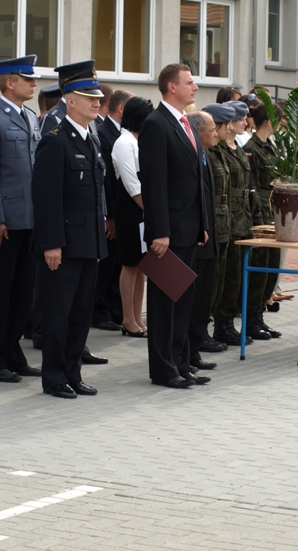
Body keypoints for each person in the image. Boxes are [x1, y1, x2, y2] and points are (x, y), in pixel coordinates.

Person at [32, 60, 107, 399]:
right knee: (58, 314)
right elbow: (47, 198)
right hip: (63, 245)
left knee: (79, 315)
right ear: (70, 100)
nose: (96, 102)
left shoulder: (91, 139)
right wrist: (51, 243)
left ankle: (73, 373)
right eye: (89, 97)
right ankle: (54, 377)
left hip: (87, 243)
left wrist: (98, 243)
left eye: (97, 97)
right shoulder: (56, 141)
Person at [138, 63, 210, 389]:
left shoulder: (188, 122)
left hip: (190, 228)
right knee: (165, 304)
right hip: (169, 231)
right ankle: (163, 369)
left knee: (183, 302)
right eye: (189, 82)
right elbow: (154, 183)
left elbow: (197, 180)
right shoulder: (156, 124)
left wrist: (203, 223)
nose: (195, 87)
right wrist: (159, 231)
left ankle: (181, 363)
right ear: (171, 87)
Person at [0, 55, 42, 384]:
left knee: (22, 294)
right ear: (9, 83)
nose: (34, 83)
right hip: (5, 222)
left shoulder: (29, 117)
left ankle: (12, 352)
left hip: (29, 219)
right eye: (27, 79)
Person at [211, 102, 265, 344]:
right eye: (240, 119)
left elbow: (248, 187)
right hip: (228, 222)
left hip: (242, 219)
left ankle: (232, 322)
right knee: (227, 276)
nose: (245, 122)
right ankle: (222, 324)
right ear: (228, 124)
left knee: (238, 275)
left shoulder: (239, 149)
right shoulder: (218, 150)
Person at [186, 110, 225, 359]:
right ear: (199, 132)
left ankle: (197, 344)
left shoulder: (205, 154)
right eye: (212, 130)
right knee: (194, 296)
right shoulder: (192, 154)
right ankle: (191, 347)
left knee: (204, 295)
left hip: (208, 234)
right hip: (197, 237)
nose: (216, 134)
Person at [92, 89, 133, 332]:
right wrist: (109, 216)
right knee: (107, 265)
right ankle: (100, 311)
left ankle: (116, 310)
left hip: (119, 209)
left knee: (118, 262)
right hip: (112, 209)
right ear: (121, 109)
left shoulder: (118, 133)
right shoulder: (103, 132)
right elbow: (105, 180)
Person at [111, 96, 152, 337]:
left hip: (141, 209)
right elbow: (131, 183)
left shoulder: (137, 140)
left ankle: (138, 317)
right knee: (130, 265)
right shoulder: (123, 142)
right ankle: (128, 319)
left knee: (142, 266)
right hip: (130, 209)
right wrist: (149, 210)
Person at [244, 102, 282, 339]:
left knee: (271, 267)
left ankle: (260, 317)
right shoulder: (251, 149)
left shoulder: (270, 146)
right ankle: (251, 319)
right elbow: (253, 187)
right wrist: (260, 218)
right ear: (269, 122)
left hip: (274, 215)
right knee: (259, 270)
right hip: (261, 216)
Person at [201, 104, 234, 350]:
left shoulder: (218, 151)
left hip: (224, 223)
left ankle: (215, 327)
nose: (229, 129)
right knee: (209, 282)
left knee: (221, 279)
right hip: (211, 225)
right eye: (226, 124)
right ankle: (201, 330)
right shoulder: (208, 154)